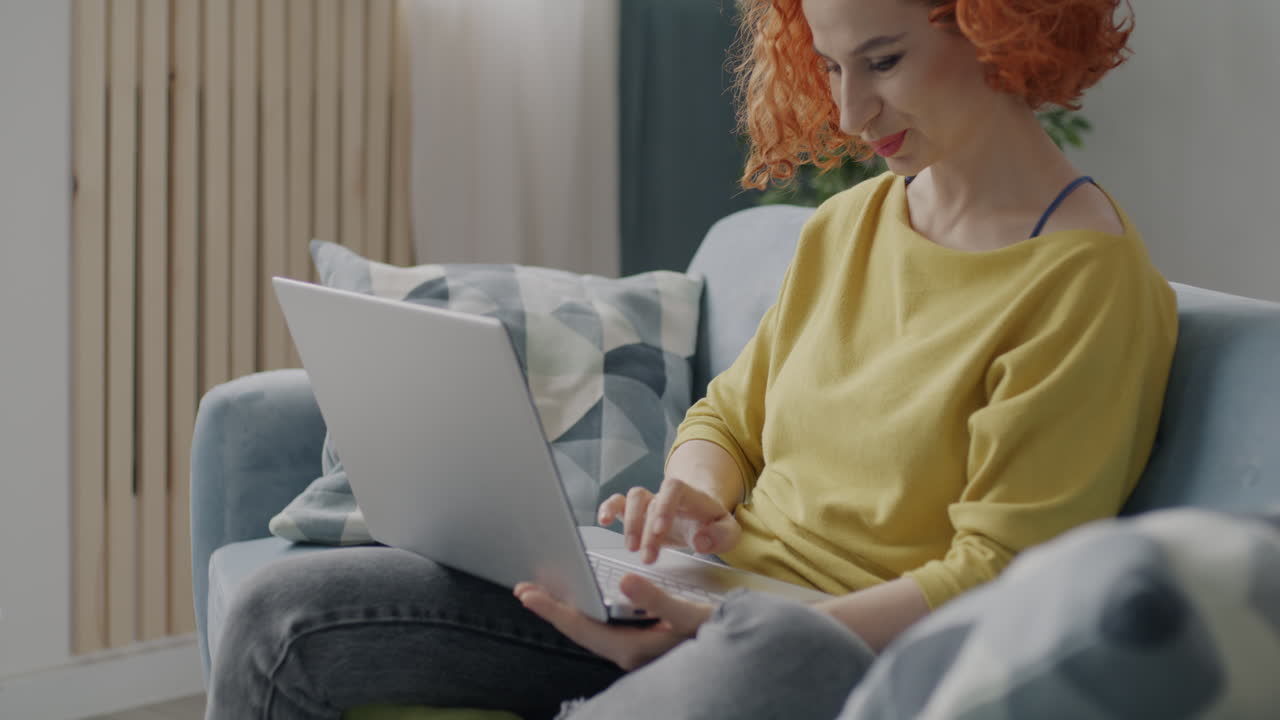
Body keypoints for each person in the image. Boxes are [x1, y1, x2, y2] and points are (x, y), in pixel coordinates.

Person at [205, 0, 1177, 718]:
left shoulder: (1084, 282)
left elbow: (1002, 572)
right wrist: (691, 493)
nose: (848, 111)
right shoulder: (847, 224)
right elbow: (726, 418)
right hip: (688, 603)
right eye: (830, 67)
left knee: (767, 659)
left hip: (822, 650)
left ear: (998, 28)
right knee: (283, 613)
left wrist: (719, 633)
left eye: (879, 60)